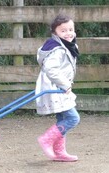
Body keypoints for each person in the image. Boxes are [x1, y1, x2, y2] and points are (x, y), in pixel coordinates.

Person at [35, 14, 80, 162]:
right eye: (63, 31)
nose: (68, 33)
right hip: (55, 87)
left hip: (60, 87)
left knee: (63, 118)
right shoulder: (58, 49)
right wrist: (65, 84)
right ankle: (47, 139)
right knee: (73, 118)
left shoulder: (67, 46)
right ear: (55, 33)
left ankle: (59, 152)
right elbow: (51, 69)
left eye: (71, 29)